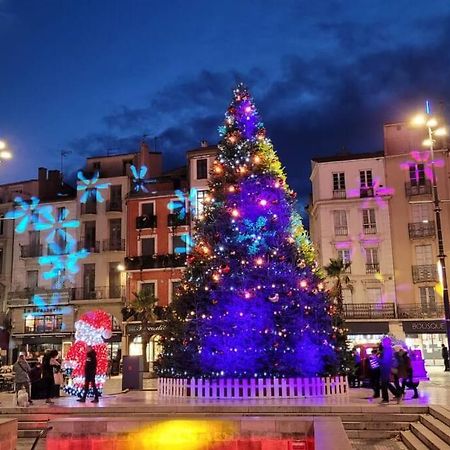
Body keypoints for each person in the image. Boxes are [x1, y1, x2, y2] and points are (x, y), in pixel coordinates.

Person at [379, 337, 400, 404]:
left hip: (385, 368)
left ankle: (385, 399)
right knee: (386, 383)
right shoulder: (387, 349)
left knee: (384, 383)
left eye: (383, 342)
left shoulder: (387, 349)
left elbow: (385, 361)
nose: (382, 343)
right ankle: (397, 394)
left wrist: (377, 359)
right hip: (385, 368)